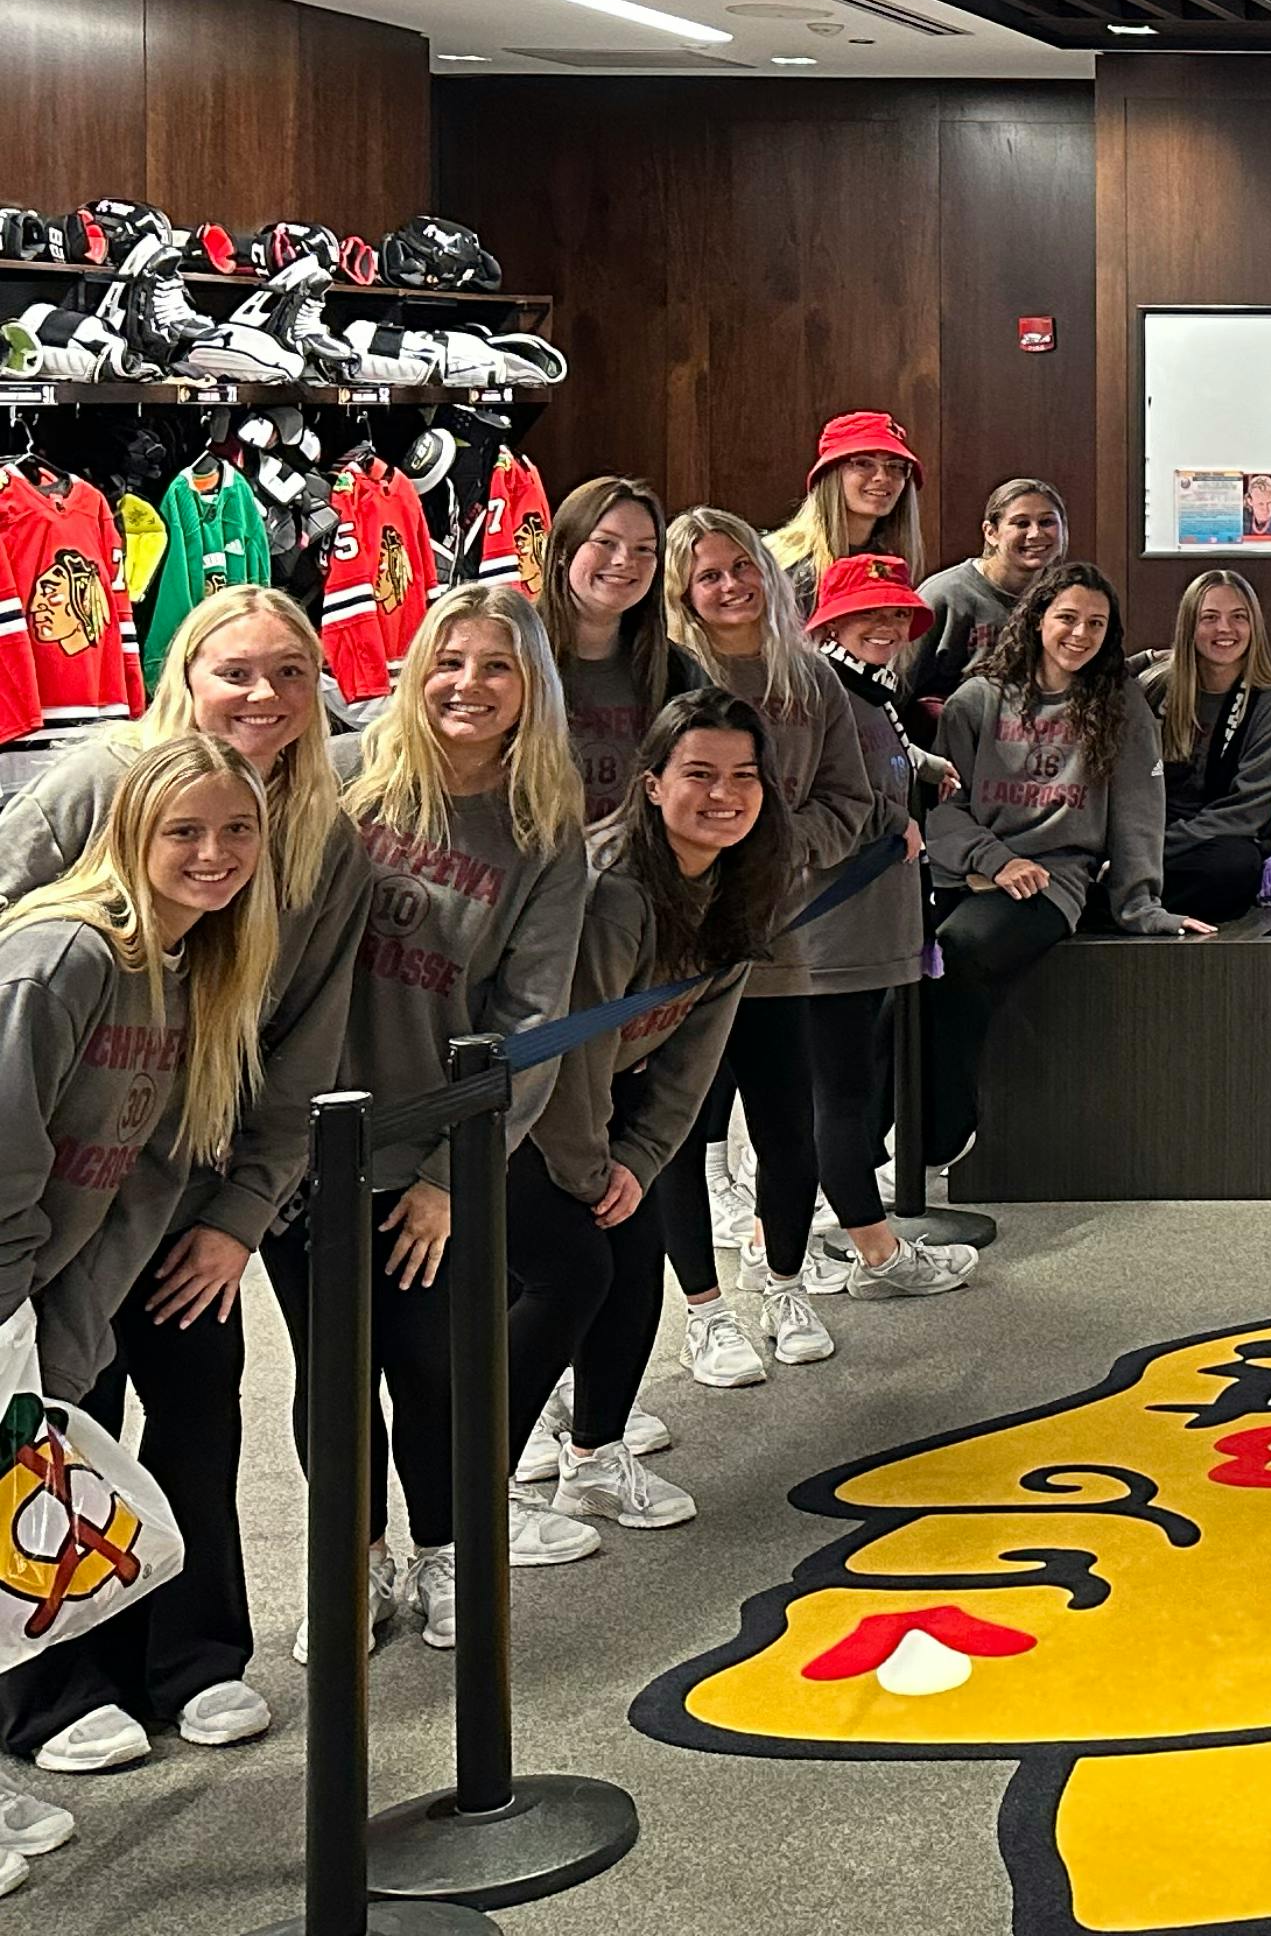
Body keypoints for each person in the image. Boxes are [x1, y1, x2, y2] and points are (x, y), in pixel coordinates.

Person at [0, 589, 367, 1727]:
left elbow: (302, 1045)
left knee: (201, 1411)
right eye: (237, 671)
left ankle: (193, 1659)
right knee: (52, 1422)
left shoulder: (323, 834)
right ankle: (54, 1688)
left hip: (180, 1180)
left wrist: (243, 1210)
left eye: (292, 673)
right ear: (184, 674)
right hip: (52, 1186)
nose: (265, 696)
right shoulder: (97, 795)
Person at [235, 594, 594, 1686]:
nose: (469, 685)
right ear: (413, 667)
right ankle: (359, 1562)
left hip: (437, 1149)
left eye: (497, 666)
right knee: (331, 1374)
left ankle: (443, 1553)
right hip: (305, 1146)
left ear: (532, 686)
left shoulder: (544, 834)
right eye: (450, 661)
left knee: (434, 1365)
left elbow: (534, 1027)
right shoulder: (340, 776)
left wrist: (449, 1176)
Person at [0, 733, 280, 1835]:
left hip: (44, 1300)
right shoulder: (63, 958)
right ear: (129, 834)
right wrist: (13, 1329)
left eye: (237, 832)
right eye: (184, 832)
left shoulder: (193, 968)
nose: (214, 855)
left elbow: (140, 1183)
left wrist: (64, 1347)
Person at [517, 693, 782, 1541]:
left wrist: (641, 1159)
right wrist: (595, 1171)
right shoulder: (614, 891)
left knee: (634, 1267)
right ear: (652, 784)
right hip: (525, 1106)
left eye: (744, 776)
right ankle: (475, 1499)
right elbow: (572, 1048)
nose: (724, 795)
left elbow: (695, 1052)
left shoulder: (741, 882)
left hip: (610, 1106)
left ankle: (593, 1460)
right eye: (698, 774)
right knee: (571, 1274)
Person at [654, 507, 877, 1394]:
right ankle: (705, 1317)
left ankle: (783, 1286)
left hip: (781, 941)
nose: (731, 586)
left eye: (743, 568)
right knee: (675, 1134)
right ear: (683, 591)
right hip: (678, 948)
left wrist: (775, 847)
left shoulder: (810, 676)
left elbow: (847, 799)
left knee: (789, 1134)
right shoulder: (667, 675)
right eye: (708, 574)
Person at [919, 562, 1169, 1179]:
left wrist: (1140, 905)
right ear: (1035, 621)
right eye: (1067, 618)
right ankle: (869, 1159)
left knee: (960, 949)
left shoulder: (1118, 703)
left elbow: (1139, 810)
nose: (1080, 634)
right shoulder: (976, 699)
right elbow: (941, 812)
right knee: (901, 979)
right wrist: (993, 860)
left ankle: (941, 1132)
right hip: (971, 872)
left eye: (1096, 624)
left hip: (1052, 881)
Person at [773, 558, 975, 1312]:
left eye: (897, 616)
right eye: (871, 615)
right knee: (839, 1095)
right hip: (832, 932)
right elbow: (821, 794)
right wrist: (895, 820)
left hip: (869, 927)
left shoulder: (865, 684)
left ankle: (798, 1243)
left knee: (842, 1088)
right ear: (829, 620)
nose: (888, 628)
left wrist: (921, 766)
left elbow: (876, 749)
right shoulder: (818, 689)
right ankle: (874, 1248)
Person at [1144, 570, 1271, 927]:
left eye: (1238, 617)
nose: (1224, 629)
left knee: (1232, 870)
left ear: (1254, 625)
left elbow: (1247, 811)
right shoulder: (1154, 688)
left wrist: (1157, 850)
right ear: (1189, 627)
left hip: (1218, 840)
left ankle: (1116, 901)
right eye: (1209, 618)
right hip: (1149, 833)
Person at [543, 474, 674, 824]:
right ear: (563, 551)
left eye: (644, 549)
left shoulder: (677, 670)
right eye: (605, 542)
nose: (624, 561)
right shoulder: (507, 652)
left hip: (632, 869)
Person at [909, 477, 1066, 725]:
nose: (1036, 533)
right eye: (1021, 523)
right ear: (991, 533)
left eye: (1047, 522)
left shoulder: (1067, 595)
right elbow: (899, 689)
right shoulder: (944, 595)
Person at [766, 410, 924, 603]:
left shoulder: (887, 564)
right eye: (864, 463)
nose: (882, 477)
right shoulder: (794, 570)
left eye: (896, 466)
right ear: (830, 476)